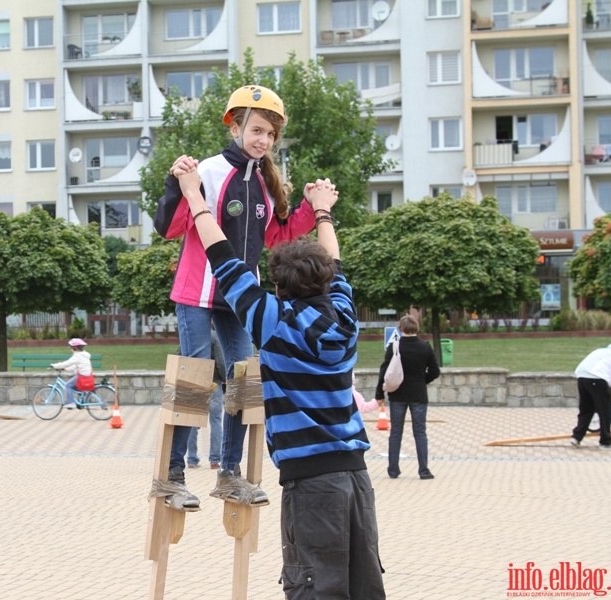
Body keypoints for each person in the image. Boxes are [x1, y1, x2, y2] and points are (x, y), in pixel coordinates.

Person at [173, 164, 385, 599]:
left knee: (315, 587)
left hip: (311, 484)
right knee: (364, 586)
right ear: (327, 279)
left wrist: (195, 195)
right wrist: (322, 210)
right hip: (355, 478)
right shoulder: (344, 317)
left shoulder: (274, 322)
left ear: (278, 288)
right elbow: (335, 261)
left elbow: (224, 261)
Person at [153, 85, 316, 508]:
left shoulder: (262, 183)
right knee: (195, 378)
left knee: (245, 381)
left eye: (270, 135)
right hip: (198, 292)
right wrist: (176, 183)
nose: (262, 140)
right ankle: (171, 476)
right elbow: (169, 227)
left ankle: (229, 474)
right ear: (236, 126)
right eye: (256, 130)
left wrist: (310, 208)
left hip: (239, 297)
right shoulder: (208, 170)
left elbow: (275, 236)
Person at [374, 315, 441, 480]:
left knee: (396, 432)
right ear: (416, 328)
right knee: (420, 432)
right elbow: (435, 371)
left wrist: (379, 393)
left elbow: (384, 371)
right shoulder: (425, 347)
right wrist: (422, 381)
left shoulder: (394, 346)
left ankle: (393, 469)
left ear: (401, 328)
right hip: (418, 394)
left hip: (397, 394)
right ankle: (424, 470)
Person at [571, 343, 611, 450]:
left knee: (586, 410)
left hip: (582, 378)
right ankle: (606, 442)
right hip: (597, 379)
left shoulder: (605, 351)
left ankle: (576, 437)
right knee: (606, 411)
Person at [186, 329, 225, 469]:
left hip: (194, 382)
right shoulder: (214, 336)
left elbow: (180, 354)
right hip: (214, 382)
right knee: (216, 421)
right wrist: (225, 379)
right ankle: (215, 459)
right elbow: (220, 361)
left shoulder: (189, 334)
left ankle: (191, 458)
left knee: (192, 422)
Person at [50, 338, 94, 409]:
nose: (70, 348)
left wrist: (55, 366)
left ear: (75, 347)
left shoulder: (77, 356)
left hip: (82, 376)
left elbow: (67, 363)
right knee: (74, 387)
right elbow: (74, 367)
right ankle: (84, 396)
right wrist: (65, 369)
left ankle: (71, 403)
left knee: (67, 385)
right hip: (87, 375)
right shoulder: (84, 355)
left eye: (71, 346)